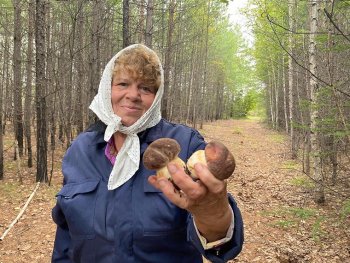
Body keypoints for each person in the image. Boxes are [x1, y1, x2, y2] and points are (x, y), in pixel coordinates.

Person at [51, 44, 244, 263]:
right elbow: (66, 233)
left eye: (146, 88)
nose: (133, 95)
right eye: (123, 83)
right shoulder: (80, 150)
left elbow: (219, 243)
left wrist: (213, 212)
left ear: (157, 96)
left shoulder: (185, 144)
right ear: (107, 88)